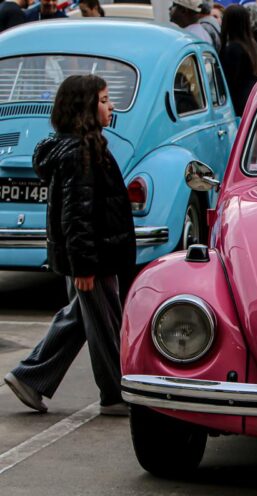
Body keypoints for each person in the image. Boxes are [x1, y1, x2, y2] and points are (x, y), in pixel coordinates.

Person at [3, 75, 135, 416]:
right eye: (104, 101)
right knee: (104, 323)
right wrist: (84, 266)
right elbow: (77, 215)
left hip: (92, 253)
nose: (111, 107)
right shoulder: (80, 153)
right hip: (94, 255)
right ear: (85, 109)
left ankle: (31, 379)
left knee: (82, 317)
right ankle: (115, 394)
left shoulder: (82, 147)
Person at [220, 5, 257, 115]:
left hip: (237, 102)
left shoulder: (233, 49)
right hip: (252, 97)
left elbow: (228, 80)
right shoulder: (252, 45)